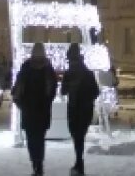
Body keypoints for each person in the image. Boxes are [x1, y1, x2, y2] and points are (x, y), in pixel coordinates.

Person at [12, 42, 57, 176]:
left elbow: (18, 89)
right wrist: (47, 102)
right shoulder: (48, 69)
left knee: (31, 139)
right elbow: (52, 91)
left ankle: (35, 164)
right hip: (43, 110)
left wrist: (21, 104)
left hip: (28, 110)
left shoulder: (26, 67)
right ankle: (39, 165)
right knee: (40, 139)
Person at [60, 43, 100, 175]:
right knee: (78, 136)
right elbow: (95, 91)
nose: (71, 62)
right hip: (82, 109)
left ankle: (79, 163)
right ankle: (79, 162)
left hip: (77, 109)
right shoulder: (85, 73)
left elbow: (63, 91)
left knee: (77, 136)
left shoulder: (75, 74)